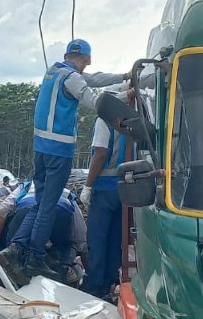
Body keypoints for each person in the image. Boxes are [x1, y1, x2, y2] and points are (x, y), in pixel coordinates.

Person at [13, 39, 125, 278]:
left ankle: (17, 246)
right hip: (59, 150)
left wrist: (122, 76)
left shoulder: (54, 72)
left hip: (41, 148)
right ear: (87, 59)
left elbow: (93, 78)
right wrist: (124, 95)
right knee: (49, 205)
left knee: (40, 201)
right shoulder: (74, 78)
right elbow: (93, 100)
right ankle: (35, 255)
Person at [82, 109, 132, 297]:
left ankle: (95, 286)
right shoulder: (130, 121)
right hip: (125, 189)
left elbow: (100, 153)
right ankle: (111, 284)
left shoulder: (104, 121)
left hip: (104, 189)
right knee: (116, 240)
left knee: (97, 239)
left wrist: (87, 186)